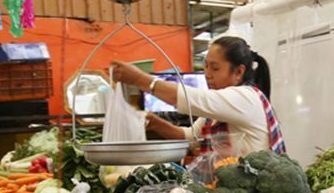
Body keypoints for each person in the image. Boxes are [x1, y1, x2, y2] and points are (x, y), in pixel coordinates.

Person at [110, 36, 287, 158]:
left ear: (239, 71)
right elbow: (190, 138)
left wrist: (138, 79)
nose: (207, 74)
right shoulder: (218, 108)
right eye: (206, 66)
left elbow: (190, 98)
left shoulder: (245, 98)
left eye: (215, 68)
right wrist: (155, 122)